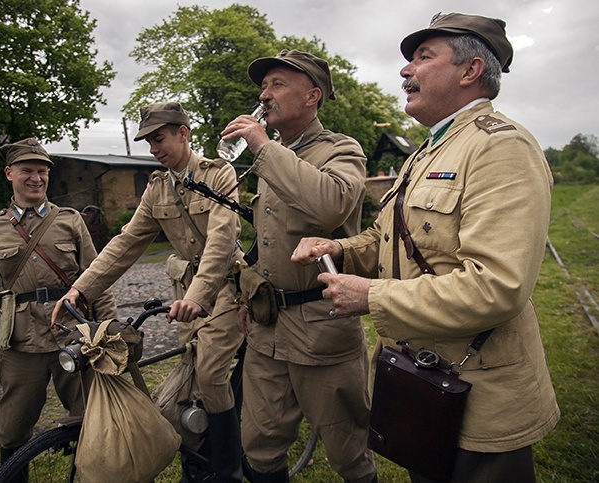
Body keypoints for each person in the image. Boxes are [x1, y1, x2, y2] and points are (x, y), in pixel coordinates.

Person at [291, 13, 560, 483]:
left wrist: (371, 296)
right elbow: (388, 237)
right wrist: (338, 246)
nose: (404, 70)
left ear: (470, 70)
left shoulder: (500, 148)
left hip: (479, 397)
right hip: (423, 383)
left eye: (422, 56)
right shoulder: (427, 151)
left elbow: (497, 287)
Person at [51, 102, 245, 482]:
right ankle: (198, 449)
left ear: (183, 133)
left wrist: (198, 297)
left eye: (159, 139)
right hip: (187, 290)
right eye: (148, 142)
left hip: (228, 288)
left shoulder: (219, 173)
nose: (154, 149)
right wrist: (79, 289)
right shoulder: (158, 187)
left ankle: (227, 469)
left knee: (209, 372)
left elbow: (223, 239)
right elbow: (125, 244)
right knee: (189, 368)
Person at [219, 49, 378, 483]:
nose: (264, 95)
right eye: (263, 86)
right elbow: (266, 241)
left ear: (312, 96)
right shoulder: (274, 155)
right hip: (267, 325)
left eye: (277, 85)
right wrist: (246, 294)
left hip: (321, 327)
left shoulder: (341, 148)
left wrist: (263, 145)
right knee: (260, 444)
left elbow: (329, 205)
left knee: (348, 449)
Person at [0, 138, 118, 476]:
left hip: (73, 338)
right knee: (13, 427)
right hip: (20, 344)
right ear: (9, 173)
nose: (36, 178)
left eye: (42, 171)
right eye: (27, 170)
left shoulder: (70, 221)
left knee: (91, 418)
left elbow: (97, 277)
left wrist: (112, 330)